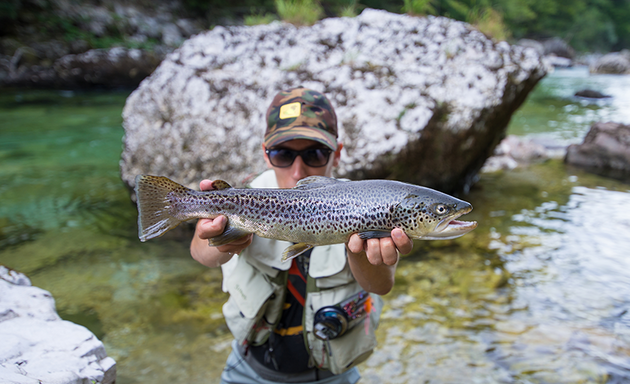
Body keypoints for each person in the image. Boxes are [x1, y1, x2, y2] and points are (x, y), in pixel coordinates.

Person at [190, 87, 413, 384]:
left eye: (315, 154)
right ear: (266, 155)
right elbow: (201, 253)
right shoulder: (244, 199)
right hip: (247, 370)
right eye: (283, 154)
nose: (298, 171)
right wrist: (219, 241)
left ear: (337, 153)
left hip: (333, 375)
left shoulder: (369, 205)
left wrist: (361, 255)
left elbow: (381, 286)